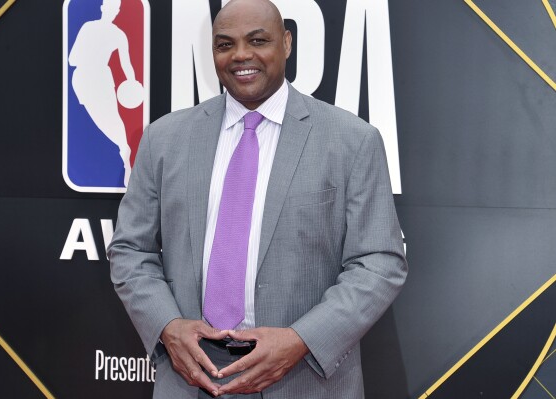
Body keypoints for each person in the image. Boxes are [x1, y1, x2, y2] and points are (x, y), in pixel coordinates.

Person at [109, 0, 407, 397]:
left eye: (258, 40)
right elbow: (130, 248)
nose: (241, 55)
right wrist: (168, 326)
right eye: (224, 44)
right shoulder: (165, 139)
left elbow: (379, 262)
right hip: (189, 382)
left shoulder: (352, 141)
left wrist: (301, 339)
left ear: (286, 43)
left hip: (302, 381)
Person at [69, 0, 140, 186]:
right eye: (110, 8)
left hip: (101, 80)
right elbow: (71, 59)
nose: (113, 12)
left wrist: (131, 82)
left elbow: (126, 64)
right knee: (92, 121)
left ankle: (125, 154)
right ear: (102, 9)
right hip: (83, 80)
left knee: (111, 119)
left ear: (117, 12)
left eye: (115, 9)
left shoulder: (118, 34)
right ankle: (121, 151)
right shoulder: (88, 28)